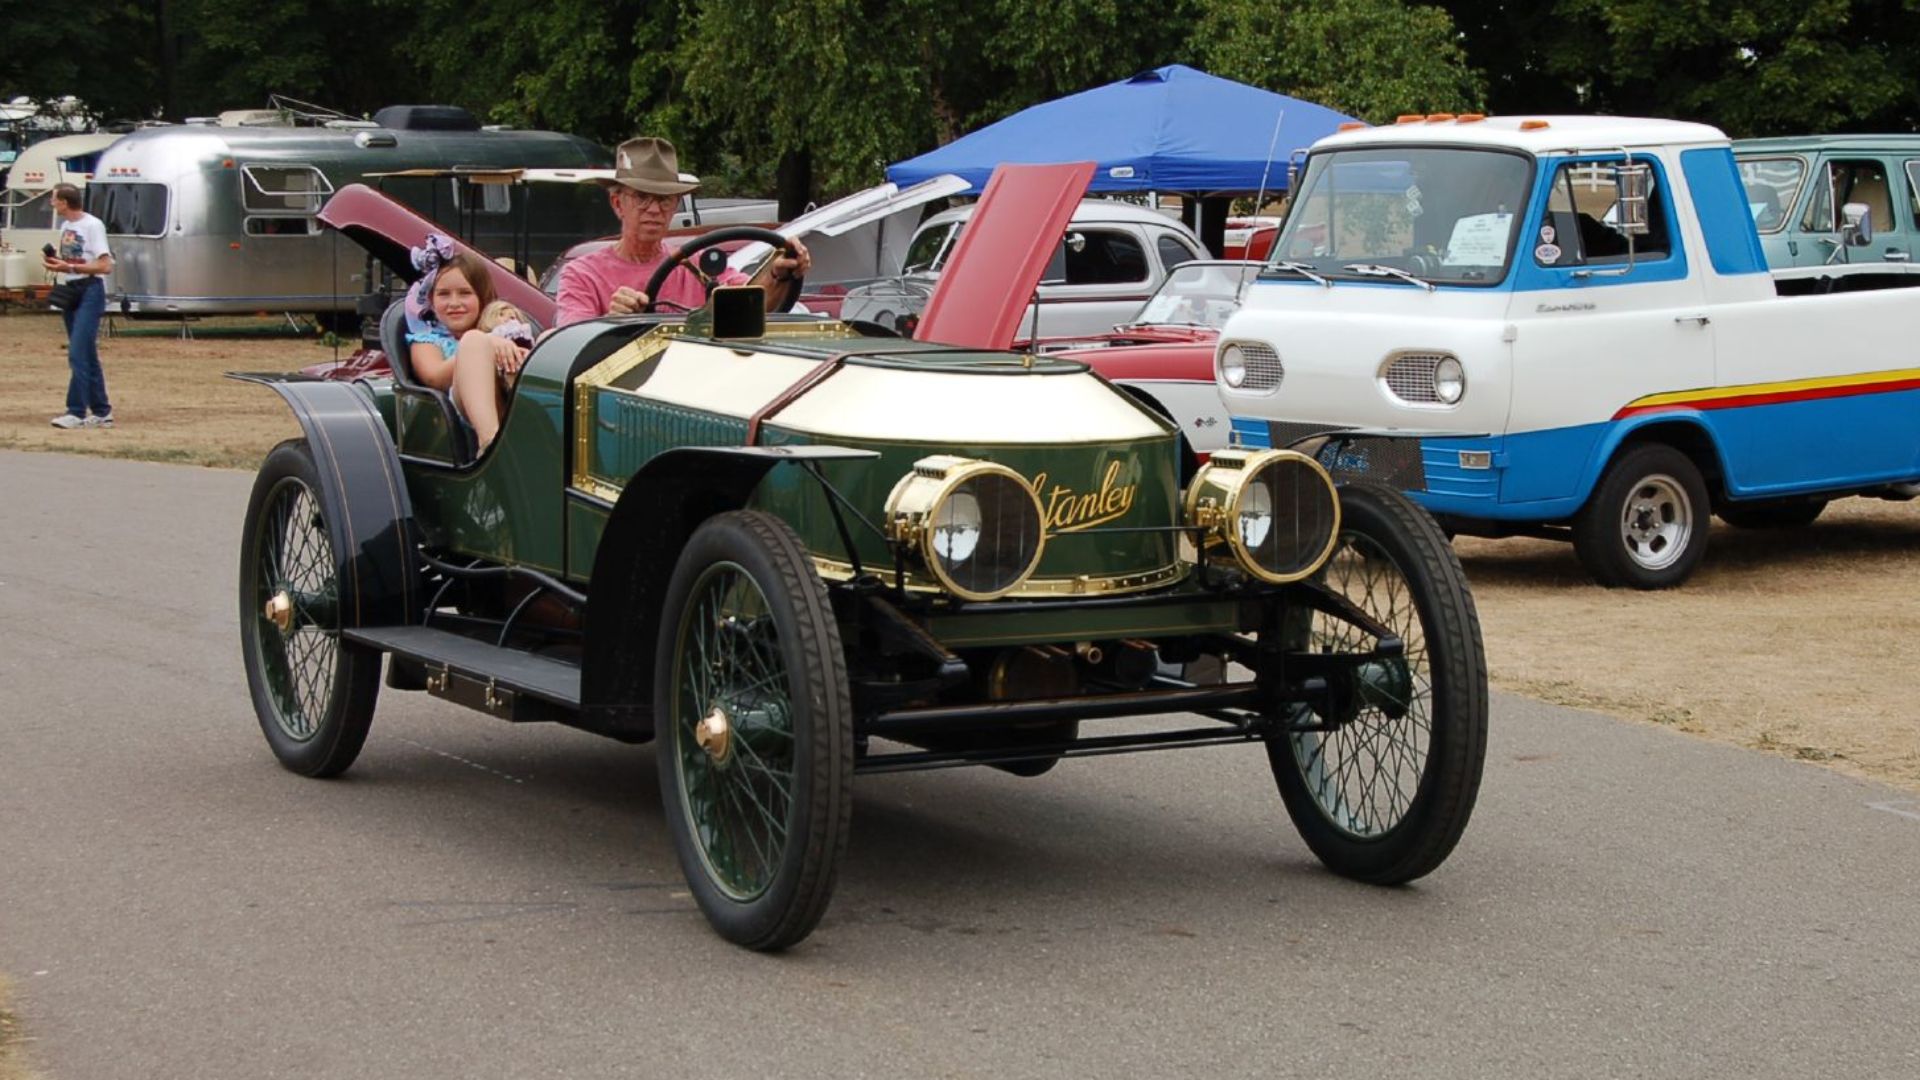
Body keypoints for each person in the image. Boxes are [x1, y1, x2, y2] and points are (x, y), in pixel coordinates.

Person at [554, 136, 811, 327]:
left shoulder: (696, 264)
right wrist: (611, 322)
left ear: (675, 205)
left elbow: (750, 307)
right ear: (618, 203)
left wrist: (778, 273)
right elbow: (567, 345)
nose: (654, 209)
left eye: (665, 199)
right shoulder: (583, 274)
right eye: (642, 197)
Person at [403, 235, 527, 450]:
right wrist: (485, 344)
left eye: (465, 293)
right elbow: (434, 377)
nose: (454, 303)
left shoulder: (496, 329)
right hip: (460, 416)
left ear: (482, 296)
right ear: (430, 301)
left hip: (511, 403)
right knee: (473, 342)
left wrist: (510, 347)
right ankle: (489, 444)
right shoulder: (428, 339)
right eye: (444, 295)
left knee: (548, 339)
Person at [43, 183, 113, 429]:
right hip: (71, 289)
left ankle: (76, 411)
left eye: (54, 200)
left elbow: (105, 266)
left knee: (78, 352)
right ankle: (102, 411)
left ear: (64, 202)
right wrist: (58, 263)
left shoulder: (92, 225)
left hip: (90, 289)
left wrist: (70, 267)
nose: (52, 204)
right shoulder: (66, 226)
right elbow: (74, 258)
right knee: (87, 354)